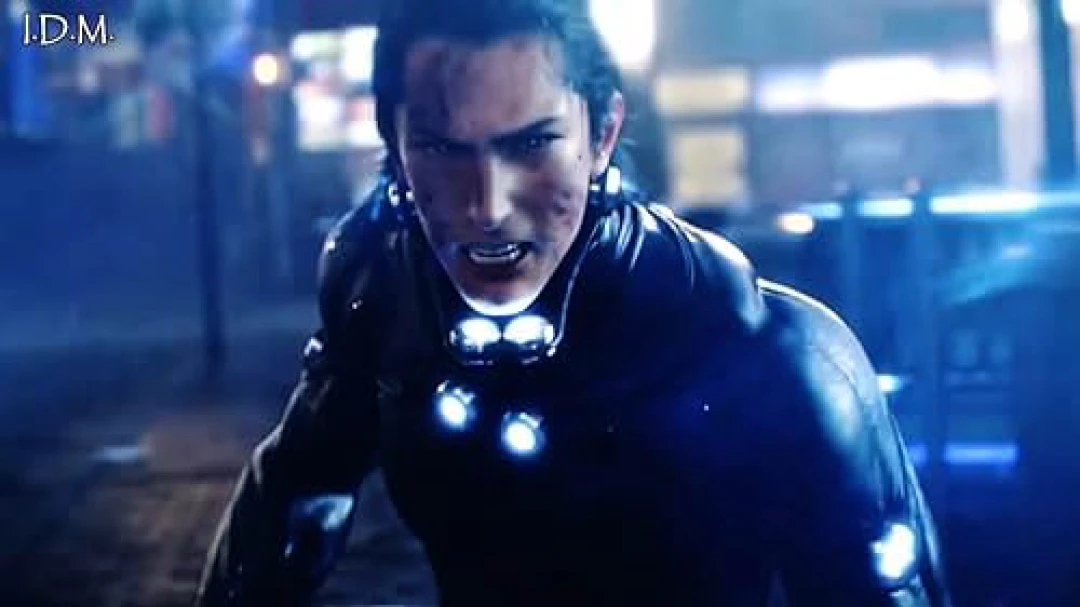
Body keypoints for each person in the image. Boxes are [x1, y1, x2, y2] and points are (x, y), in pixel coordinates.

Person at [196, 0, 951, 604]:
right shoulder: (380, 289)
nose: (487, 206)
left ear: (603, 133)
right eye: (443, 149)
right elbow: (287, 510)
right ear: (393, 147)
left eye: (530, 145)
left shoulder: (765, 351)